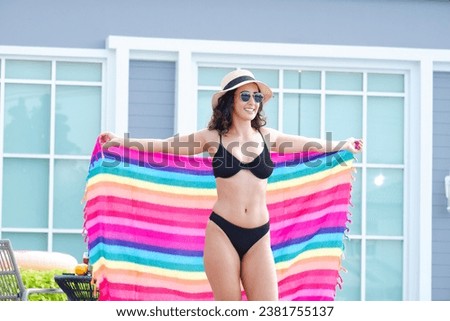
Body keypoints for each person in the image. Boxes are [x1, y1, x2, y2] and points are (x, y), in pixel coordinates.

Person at [100, 69, 363, 301]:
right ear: (230, 101)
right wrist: (120, 142)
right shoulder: (212, 138)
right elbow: (167, 145)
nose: (252, 102)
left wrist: (344, 145)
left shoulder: (268, 137)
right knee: (229, 312)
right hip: (222, 233)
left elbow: (310, 144)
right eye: (245, 96)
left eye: (257, 97)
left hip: (259, 235)